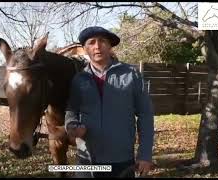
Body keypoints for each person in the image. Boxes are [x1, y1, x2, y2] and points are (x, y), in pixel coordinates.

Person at [65, 26, 155, 178]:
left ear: (110, 46)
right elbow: (71, 111)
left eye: (103, 41)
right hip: (87, 160)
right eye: (91, 42)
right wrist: (72, 125)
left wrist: (145, 154)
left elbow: (145, 115)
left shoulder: (131, 74)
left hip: (121, 160)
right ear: (85, 48)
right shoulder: (79, 79)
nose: (97, 46)